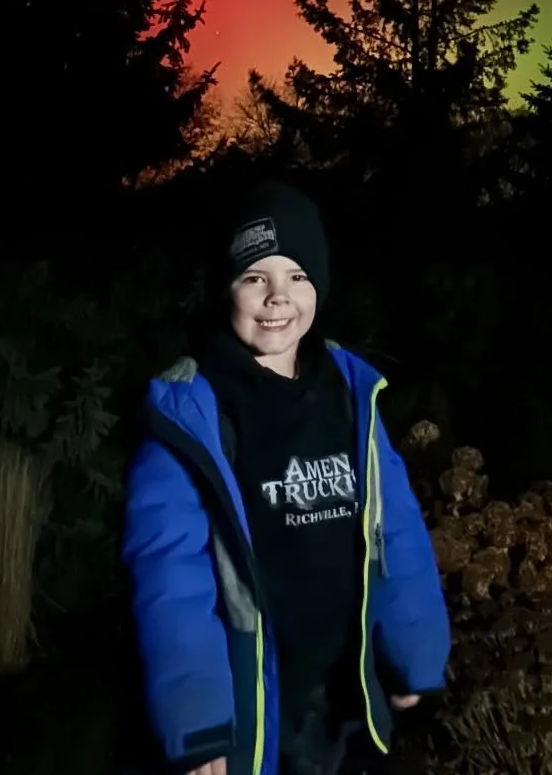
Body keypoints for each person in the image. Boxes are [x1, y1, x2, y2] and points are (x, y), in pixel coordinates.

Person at [123, 181, 451, 775]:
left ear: (320, 286)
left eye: (297, 276)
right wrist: (198, 722)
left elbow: (394, 526)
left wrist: (415, 650)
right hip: (257, 699)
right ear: (227, 287)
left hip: (347, 688)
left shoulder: (350, 395)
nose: (278, 297)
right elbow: (171, 577)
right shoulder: (190, 417)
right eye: (255, 278)